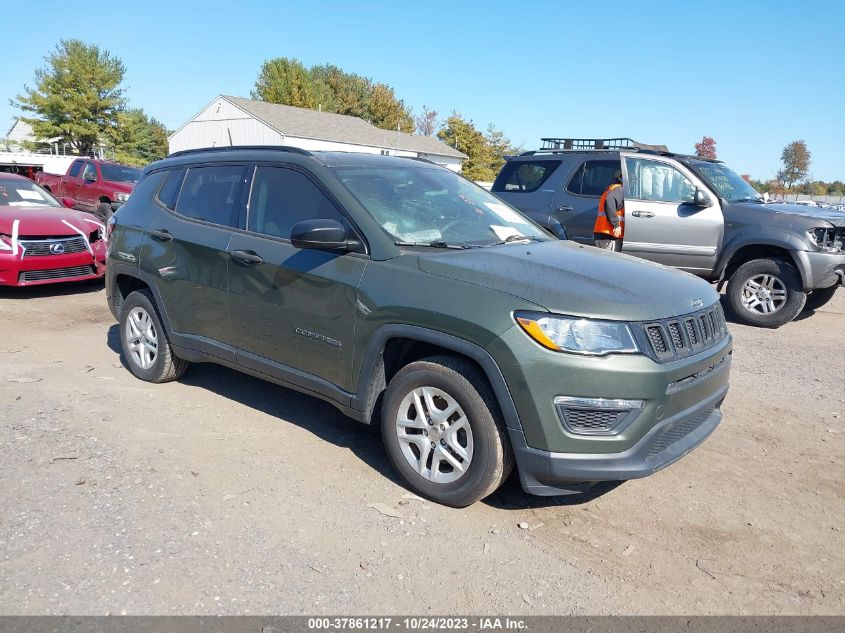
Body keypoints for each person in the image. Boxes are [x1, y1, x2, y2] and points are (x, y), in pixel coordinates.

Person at [594, 170, 624, 252]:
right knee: (609, 263)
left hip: (602, 232)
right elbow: (610, 200)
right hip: (610, 234)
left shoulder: (611, 188)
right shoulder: (620, 190)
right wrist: (616, 225)